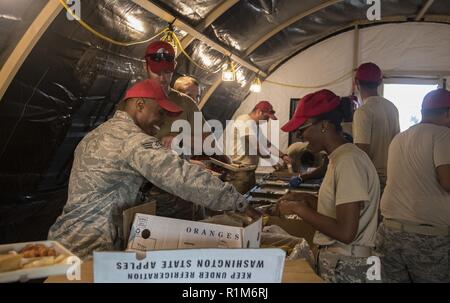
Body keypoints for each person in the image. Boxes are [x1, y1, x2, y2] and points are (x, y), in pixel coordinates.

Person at [48, 79, 254, 259]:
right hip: (94, 248)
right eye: (160, 112)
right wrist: (238, 203)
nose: (164, 120)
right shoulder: (135, 141)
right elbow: (181, 177)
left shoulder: (96, 135)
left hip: (67, 240)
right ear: (139, 105)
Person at [277, 89, 380, 283]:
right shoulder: (338, 157)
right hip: (341, 261)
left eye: (303, 129)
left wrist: (298, 209)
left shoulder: (349, 161)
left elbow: (345, 232)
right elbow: (339, 212)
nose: (300, 137)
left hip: (349, 266)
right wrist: (307, 200)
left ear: (324, 125)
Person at [375, 88, 450, 283]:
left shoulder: (400, 138)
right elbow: (447, 181)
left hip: (389, 232)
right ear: (447, 113)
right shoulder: (443, 135)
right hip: (427, 238)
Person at [353, 62, 400, 193]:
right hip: (391, 177)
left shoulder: (363, 111)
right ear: (380, 82)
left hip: (372, 179)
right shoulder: (392, 108)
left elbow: (362, 153)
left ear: (356, 82)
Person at [228, 101, 290, 194]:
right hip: (240, 171)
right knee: (238, 202)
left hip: (249, 170)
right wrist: (272, 161)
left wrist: (283, 156)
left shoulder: (255, 126)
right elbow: (256, 146)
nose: (267, 121)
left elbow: (267, 144)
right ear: (259, 112)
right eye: (266, 117)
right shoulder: (245, 120)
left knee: (248, 199)